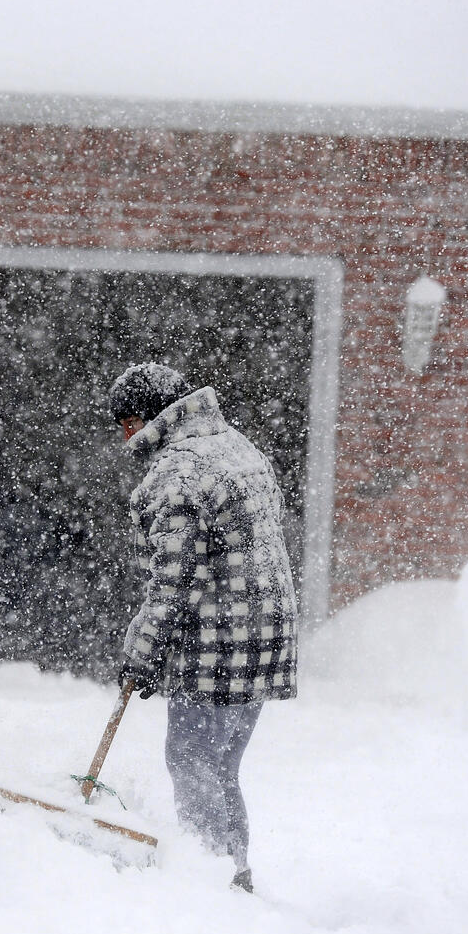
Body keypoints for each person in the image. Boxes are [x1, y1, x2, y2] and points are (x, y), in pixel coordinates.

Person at [108, 362, 298, 892]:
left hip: (218, 639)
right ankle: (235, 874)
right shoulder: (237, 447)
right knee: (221, 767)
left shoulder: (178, 472)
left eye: (127, 422)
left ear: (146, 417)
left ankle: (212, 885)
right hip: (266, 632)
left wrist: (143, 652)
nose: (126, 437)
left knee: (191, 761)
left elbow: (174, 579)